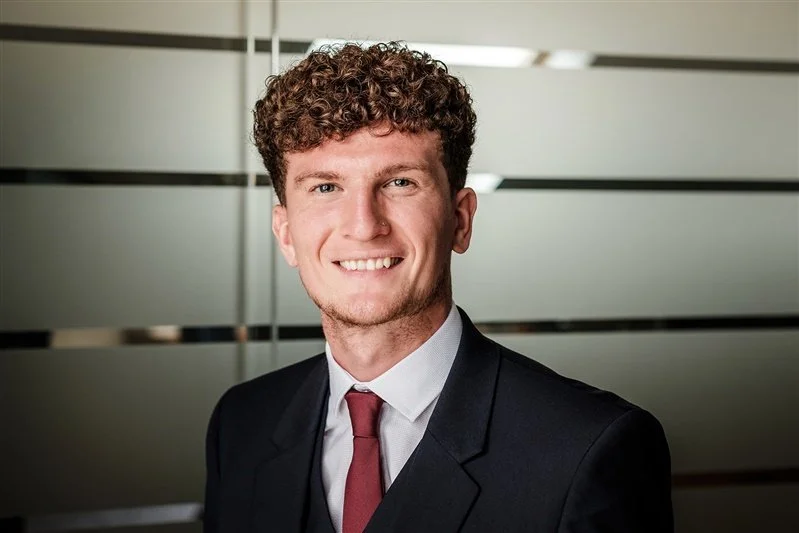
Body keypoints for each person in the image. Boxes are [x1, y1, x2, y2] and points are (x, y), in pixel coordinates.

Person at [203, 42, 673, 533]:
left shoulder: (590, 446)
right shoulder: (241, 425)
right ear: (285, 234)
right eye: (326, 187)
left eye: (400, 183)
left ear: (460, 220)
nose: (364, 226)